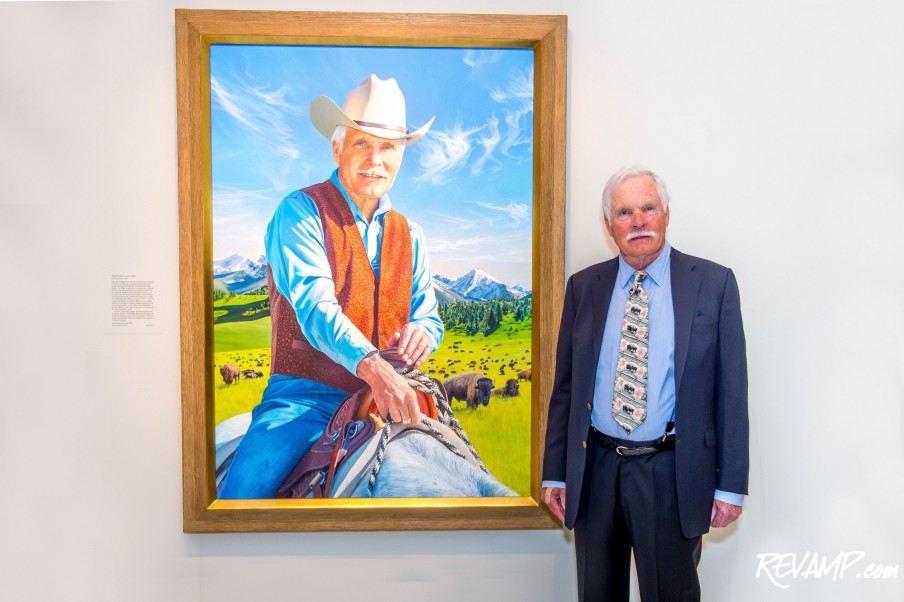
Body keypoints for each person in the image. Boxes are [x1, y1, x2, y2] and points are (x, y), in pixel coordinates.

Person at [219, 75, 444, 499]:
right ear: (337, 147)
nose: (375, 159)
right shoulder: (300, 212)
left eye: (388, 148)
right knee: (244, 498)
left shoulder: (410, 234)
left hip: (394, 394)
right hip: (305, 398)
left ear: (401, 157)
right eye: (362, 144)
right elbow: (316, 308)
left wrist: (423, 334)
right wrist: (374, 368)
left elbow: (428, 316)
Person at [541, 166, 748, 601]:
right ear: (608, 224)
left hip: (672, 473)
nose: (638, 221)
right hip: (595, 471)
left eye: (648, 208)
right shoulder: (583, 287)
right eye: (624, 212)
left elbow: (732, 394)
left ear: (666, 214)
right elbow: (565, 390)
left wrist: (730, 486)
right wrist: (556, 475)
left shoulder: (713, 284)